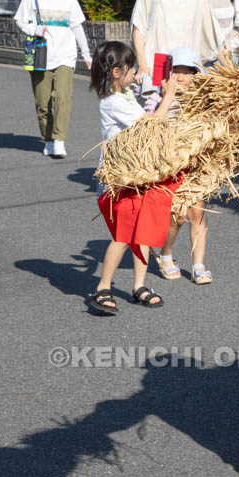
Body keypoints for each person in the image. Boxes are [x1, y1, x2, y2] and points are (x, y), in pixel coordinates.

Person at [86, 41, 177, 314]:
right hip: (118, 181)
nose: (136, 71)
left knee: (144, 232)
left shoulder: (125, 96)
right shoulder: (113, 102)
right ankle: (103, 286)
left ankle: (139, 286)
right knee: (124, 236)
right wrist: (169, 95)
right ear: (116, 72)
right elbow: (149, 126)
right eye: (131, 67)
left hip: (136, 175)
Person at [141, 47, 213, 285]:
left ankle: (198, 264)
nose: (181, 77)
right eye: (176, 72)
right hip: (166, 167)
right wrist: (168, 96)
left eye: (187, 72)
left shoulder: (204, 102)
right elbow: (149, 128)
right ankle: (166, 253)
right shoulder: (156, 99)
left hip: (195, 166)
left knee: (197, 215)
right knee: (176, 218)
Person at [14, 0, 92, 159]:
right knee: (42, 102)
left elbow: (77, 27)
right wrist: (35, 29)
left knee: (63, 99)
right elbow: (20, 20)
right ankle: (47, 139)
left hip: (65, 56)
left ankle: (59, 139)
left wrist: (86, 54)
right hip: (41, 56)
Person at [130, 0, 220, 89]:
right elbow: (138, 29)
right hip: (156, 73)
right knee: (156, 110)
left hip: (188, 77)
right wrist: (142, 65)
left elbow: (214, 38)